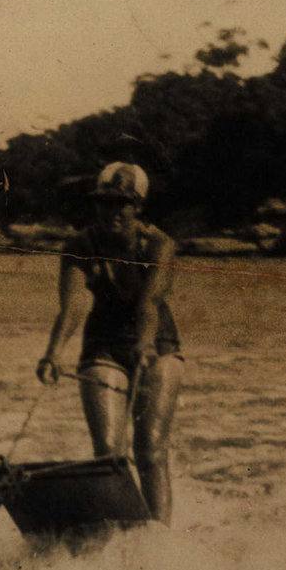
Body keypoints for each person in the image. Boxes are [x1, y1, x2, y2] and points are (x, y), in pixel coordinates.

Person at [36, 162, 184, 525]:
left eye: (122, 203)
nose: (112, 211)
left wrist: (145, 344)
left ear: (139, 207)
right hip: (103, 347)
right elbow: (72, 307)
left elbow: (149, 303)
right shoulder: (80, 245)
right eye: (104, 202)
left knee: (150, 451)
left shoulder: (160, 245)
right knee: (108, 452)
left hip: (158, 347)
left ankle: (160, 538)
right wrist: (53, 354)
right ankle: (124, 529)